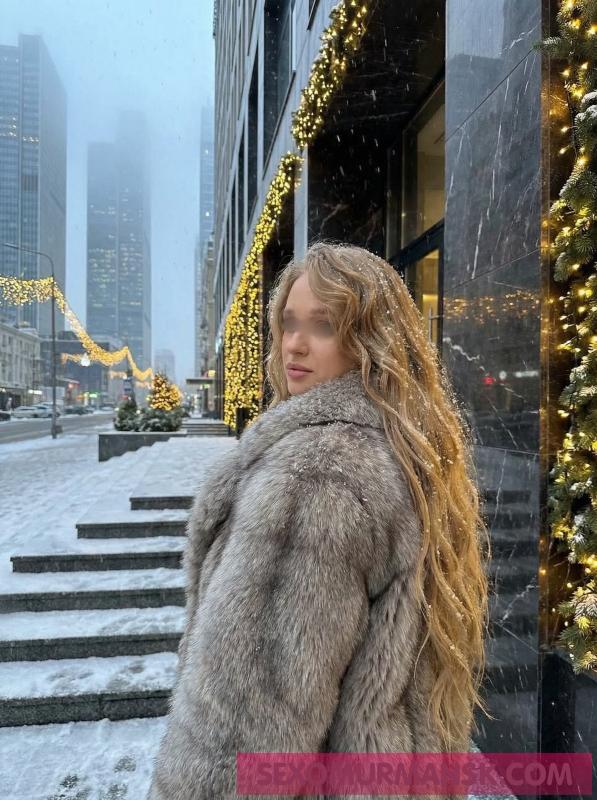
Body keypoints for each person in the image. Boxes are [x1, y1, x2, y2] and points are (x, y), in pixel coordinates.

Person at [147, 241, 492, 800]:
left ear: (370, 340)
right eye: (289, 322)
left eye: (325, 326)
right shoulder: (405, 450)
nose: (295, 344)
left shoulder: (315, 477)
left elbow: (246, 728)